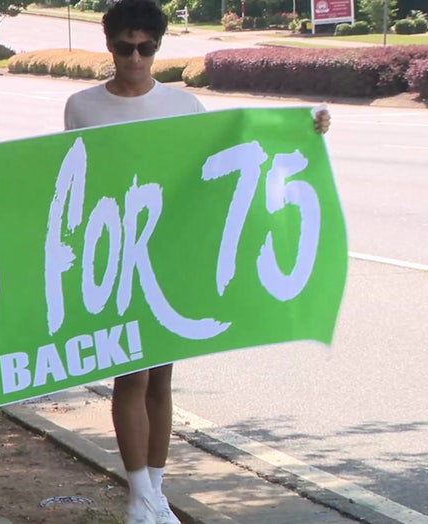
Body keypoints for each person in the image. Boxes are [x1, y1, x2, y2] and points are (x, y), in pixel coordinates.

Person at [62, 2, 331, 523]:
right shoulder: (82, 106)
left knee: (160, 377)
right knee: (130, 376)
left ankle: (156, 492)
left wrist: (305, 126)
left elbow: (228, 155)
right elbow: (74, 177)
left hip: (172, 253)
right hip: (116, 256)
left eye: (146, 47)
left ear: (157, 48)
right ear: (110, 46)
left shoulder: (183, 106)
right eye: (125, 47)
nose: (135, 57)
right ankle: (138, 495)